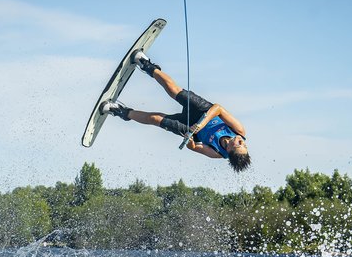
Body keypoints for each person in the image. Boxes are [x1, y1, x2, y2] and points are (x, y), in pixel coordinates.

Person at [102, 50, 251, 173]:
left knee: (155, 119)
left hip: (190, 128)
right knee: (173, 90)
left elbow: (193, 147)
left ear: (230, 151)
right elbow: (218, 108)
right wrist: (202, 123)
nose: (241, 142)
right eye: (244, 145)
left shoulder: (217, 153)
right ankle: (146, 64)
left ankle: (120, 111)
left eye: (239, 145)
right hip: (204, 111)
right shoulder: (239, 130)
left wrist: (190, 140)